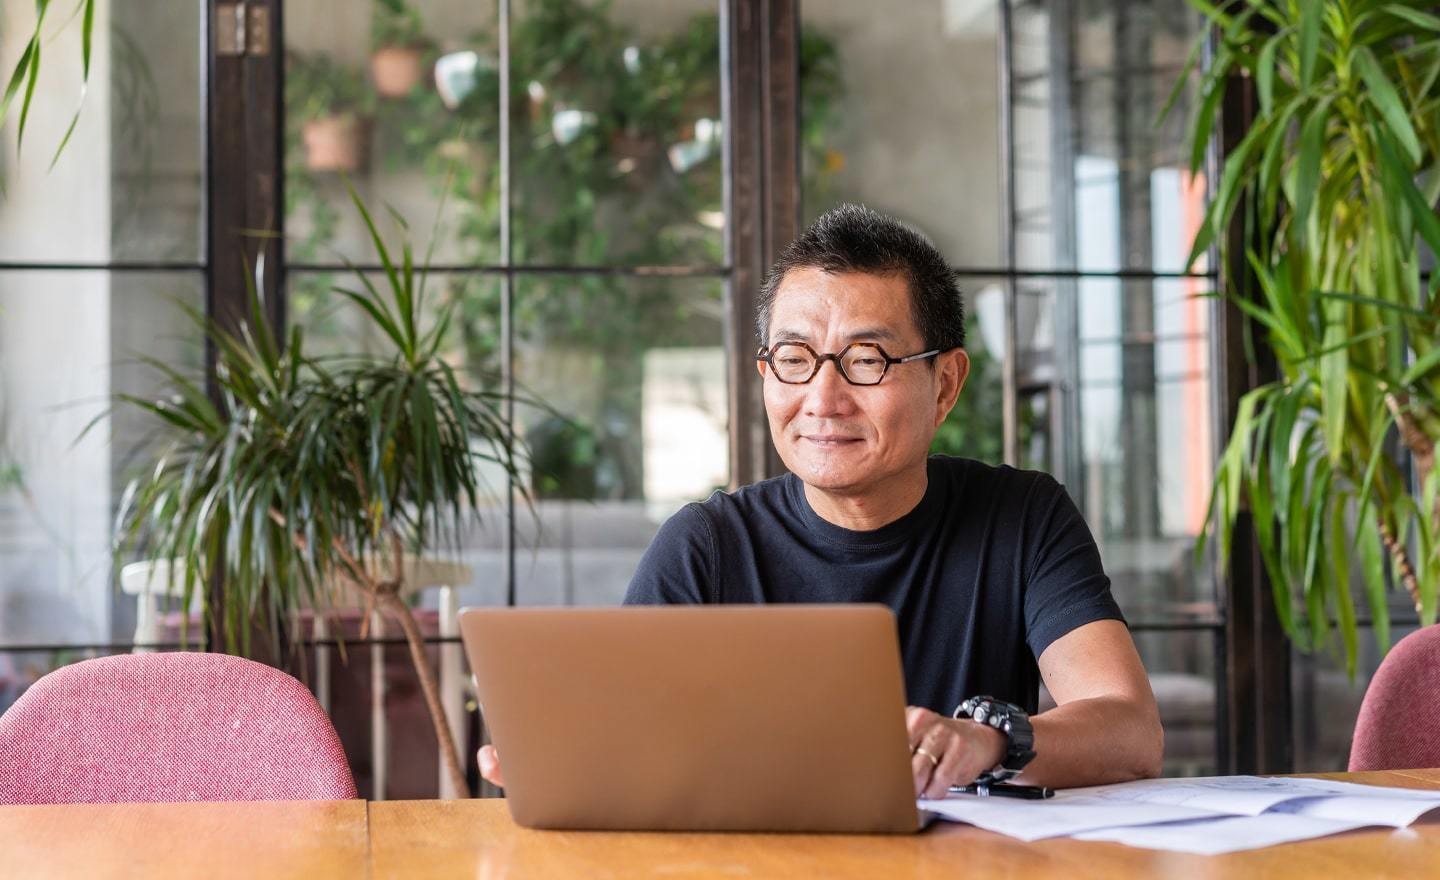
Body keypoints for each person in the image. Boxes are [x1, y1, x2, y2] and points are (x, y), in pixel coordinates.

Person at [480, 204, 1163, 798]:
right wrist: (564, 761)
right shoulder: (707, 545)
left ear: (946, 384)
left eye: (867, 360)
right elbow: (627, 744)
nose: (823, 400)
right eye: (795, 359)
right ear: (766, 373)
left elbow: (1130, 732)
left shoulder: (1023, 517)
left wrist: (989, 742)